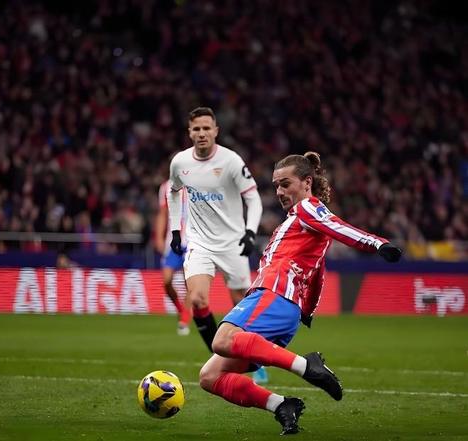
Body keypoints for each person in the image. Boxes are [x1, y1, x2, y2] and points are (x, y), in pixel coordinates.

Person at [198, 151, 402, 435]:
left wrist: (377, 244)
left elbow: (338, 227)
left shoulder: (308, 208)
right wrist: (308, 310)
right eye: (276, 186)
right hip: (286, 309)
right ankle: (282, 406)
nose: (279, 192)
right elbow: (318, 271)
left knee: (222, 340)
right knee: (209, 376)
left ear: (307, 182)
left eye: (285, 184)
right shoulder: (301, 221)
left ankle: (307, 366)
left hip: (274, 294)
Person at [167, 107, 263, 351]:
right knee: (197, 299)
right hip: (199, 243)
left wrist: (250, 232)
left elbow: (253, 198)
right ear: (190, 132)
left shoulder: (231, 161)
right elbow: (173, 192)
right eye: (197, 129)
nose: (202, 133)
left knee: (240, 304)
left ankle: (252, 358)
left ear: (216, 131)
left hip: (233, 243)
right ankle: (217, 354)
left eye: (206, 128)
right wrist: (176, 230)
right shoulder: (180, 162)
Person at [154, 178, 191, 335]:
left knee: (190, 284)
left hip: (192, 242)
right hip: (173, 242)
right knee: (166, 280)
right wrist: (158, 237)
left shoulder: (197, 182)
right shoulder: (166, 186)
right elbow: (162, 214)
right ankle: (181, 309)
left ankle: (184, 319)